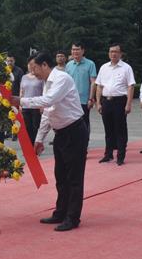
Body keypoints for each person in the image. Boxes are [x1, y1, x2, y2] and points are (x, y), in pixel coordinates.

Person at [13, 52, 88, 232]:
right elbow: (47, 112)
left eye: (35, 68)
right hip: (61, 133)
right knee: (61, 176)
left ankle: (73, 217)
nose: (33, 73)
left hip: (75, 132)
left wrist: (20, 100)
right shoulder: (47, 83)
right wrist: (39, 139)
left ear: (45, 65)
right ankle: (60, 212)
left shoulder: (61, 79)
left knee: (74, 178)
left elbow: (48, 101)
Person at [95, 43, 136, 165]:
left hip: (119, 101)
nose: (113, 54)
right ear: (108, 53)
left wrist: (128, 104)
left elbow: (131, 86)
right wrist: (98, 103)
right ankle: (108, 154)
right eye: (111, 51)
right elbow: (99, 86)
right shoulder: (104, 67)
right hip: (106, 101)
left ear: (120, 53)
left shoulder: (126, 68)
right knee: (108, 129)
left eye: (116, 52)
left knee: (120, 129)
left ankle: (120, 156)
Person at [64, 42, 97, 131]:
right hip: (70, 100)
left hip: (84, 100)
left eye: (77, 49)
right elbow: (65, 83)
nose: (75, 51)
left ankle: (84, 142)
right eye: (73, 49)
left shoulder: (90, 64)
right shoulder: (68, 65)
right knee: (70, 123)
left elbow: (93, 82)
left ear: (82, 51)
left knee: (84, 122)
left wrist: (91, 99)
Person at [19, 55, 44, 147]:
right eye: (29, 64)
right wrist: (20, 103)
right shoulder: (24, 77)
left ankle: (36, 144)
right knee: (27, 127)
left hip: (37, 105)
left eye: (33, 64)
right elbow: (21, 90)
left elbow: (44, 91)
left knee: (36, 126)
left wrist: (42, 105)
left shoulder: (40, 77)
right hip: (25, 105)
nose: (31, 66)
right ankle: (29, 145)